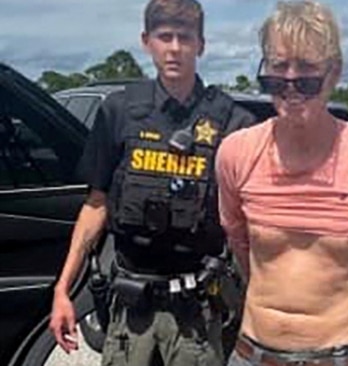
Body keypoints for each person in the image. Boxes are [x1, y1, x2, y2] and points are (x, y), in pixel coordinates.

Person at [48, 0, 256, 365]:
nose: (174, 48)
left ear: (201, 45)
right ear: (147, 41)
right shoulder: (118, 111)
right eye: (165, 37)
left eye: (185, 38)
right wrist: (62, 290)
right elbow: (96, 205)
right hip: (131, 310)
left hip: (197, 311)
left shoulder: (233, 123)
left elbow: (248, 223)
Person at [215, 1, 348, 365]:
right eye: (278, 66)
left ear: (334, 72)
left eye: (306, 67)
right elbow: (240, 245)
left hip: (337, 353)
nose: (290, 81)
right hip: (252, 352)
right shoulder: (236, 153)